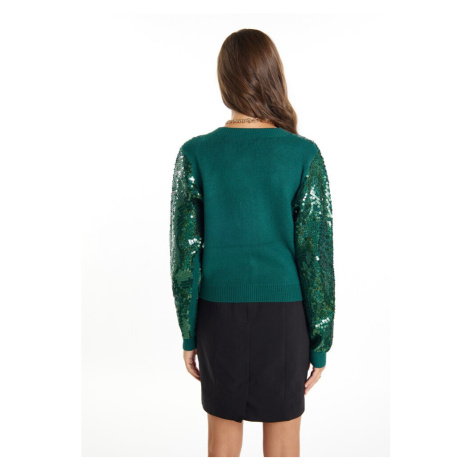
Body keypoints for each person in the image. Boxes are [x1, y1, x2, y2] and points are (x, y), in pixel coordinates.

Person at [169, 28, 335, 457]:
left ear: (224, 79)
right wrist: (320, 342)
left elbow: (185, 256)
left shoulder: (196, 153)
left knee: (222, 447)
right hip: (285, 321)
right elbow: (316, 256)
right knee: (283, 450)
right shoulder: (303, 154)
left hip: (217, 316)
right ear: (272, 75)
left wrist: (189, 333)